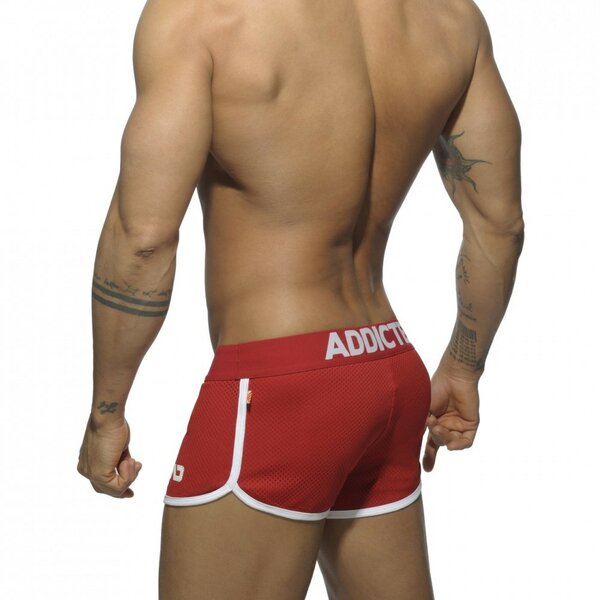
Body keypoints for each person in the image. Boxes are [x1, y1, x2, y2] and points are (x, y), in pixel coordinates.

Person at [76, 0, 524, 597]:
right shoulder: (450, 18)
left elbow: (143, 239)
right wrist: (464, 368)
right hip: (387, 370)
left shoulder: (202, 15)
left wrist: (106, 411)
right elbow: (500, 226)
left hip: (279, 389)